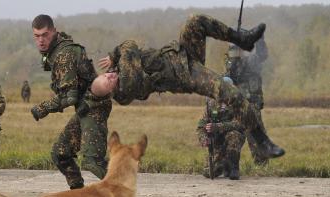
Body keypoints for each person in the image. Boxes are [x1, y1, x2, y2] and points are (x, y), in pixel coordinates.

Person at [95, 14, 285, 160]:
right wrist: (115, 53)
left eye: (106, 75)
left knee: (195, 21)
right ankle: (262, 141)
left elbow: (129, 50)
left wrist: (115, 57)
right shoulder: (126, 86)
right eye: (108, 82)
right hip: (187, 75)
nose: (110, 76)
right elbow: (130, 46)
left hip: (183, 52)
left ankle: (241, 39)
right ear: (111, 92)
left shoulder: (119, 71)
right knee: (230, 94)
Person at [29, 14, 143, 197]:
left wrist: (42, 108)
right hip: (84, 108)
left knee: (93, 161)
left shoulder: (64, 55)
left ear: (54, 31)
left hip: (94, 107)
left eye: (45, 35)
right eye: (36, 36)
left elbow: (68, 97)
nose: (41, 40)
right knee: (60, 153)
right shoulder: (56, 51)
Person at [225, 36, 269, 165]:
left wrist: (260, 39)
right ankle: (228, 165)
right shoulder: (230, 65)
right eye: (232, 51)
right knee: (233, 135)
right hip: (237, 106)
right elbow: (228, 79)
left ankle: (261, 166)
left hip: (252, 104)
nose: (235, 54)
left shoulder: (252, 61)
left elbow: (262, 54)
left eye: (237, 50)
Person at [197, 97, 245, 180]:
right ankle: (224, 165)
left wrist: (218, 126)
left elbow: (239, 123)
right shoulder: (211, 104)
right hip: (217, 141)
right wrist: (204, 139)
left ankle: (234, 168)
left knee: (233, 135)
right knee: (208, 172)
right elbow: (201, 126)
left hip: (233, 137)